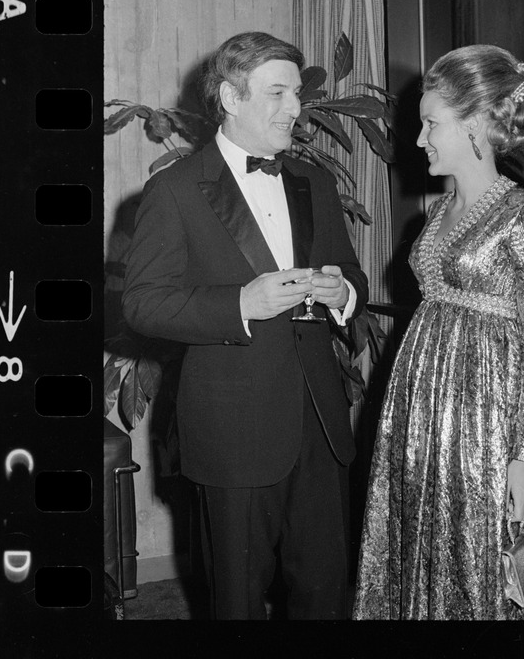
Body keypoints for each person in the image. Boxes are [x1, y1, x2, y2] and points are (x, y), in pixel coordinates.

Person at [122, 31, 369, 620]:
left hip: (321, 425)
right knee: (235, 599)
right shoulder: (174, 191)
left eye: (296, 94)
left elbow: (353, 273)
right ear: (231, 99)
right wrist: (241, 304)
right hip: (233, 432)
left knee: (325, 592)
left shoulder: (316, 183)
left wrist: (344, 293)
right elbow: (143, 304)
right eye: (278, 93)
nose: (296, 108)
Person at [352, 44, 524, 620]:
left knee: (485, 555)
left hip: (486, 419)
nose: (419, 139)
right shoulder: (435, 213)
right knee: (417, 537)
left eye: (430, 123)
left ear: (475, 122)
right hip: (420, 406)